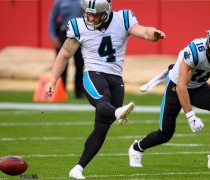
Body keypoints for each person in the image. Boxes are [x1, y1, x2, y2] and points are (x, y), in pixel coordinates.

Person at [45, 0, 166, 178]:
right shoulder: (78, 25)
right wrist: (53, 80)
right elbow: (64, 54)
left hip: (116, 79)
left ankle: (77, 168)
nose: (91, 18)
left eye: (96, 14)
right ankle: (117, 112)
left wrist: (154, 34)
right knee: (102, 101)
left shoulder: (122, 18)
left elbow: (143, 31)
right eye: (88, 13)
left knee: (101, 128)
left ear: (107, 12)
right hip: (93, 74)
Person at [128, 21, 210, 170]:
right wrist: (191, 116)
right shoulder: (195, 50)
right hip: (176, 85)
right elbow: (181, 86)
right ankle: (137, 148)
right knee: (165, 133)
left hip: (198, 86)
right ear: (208, 39)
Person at [48, 0, 85, 99]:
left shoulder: (83, 1)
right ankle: (60, 91)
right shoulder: (59, 2)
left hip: (80, 33)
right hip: (64, 33)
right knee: (62, 63)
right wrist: (53, 36)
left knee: (80, 64)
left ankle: (80, 92)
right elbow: (52, 19)